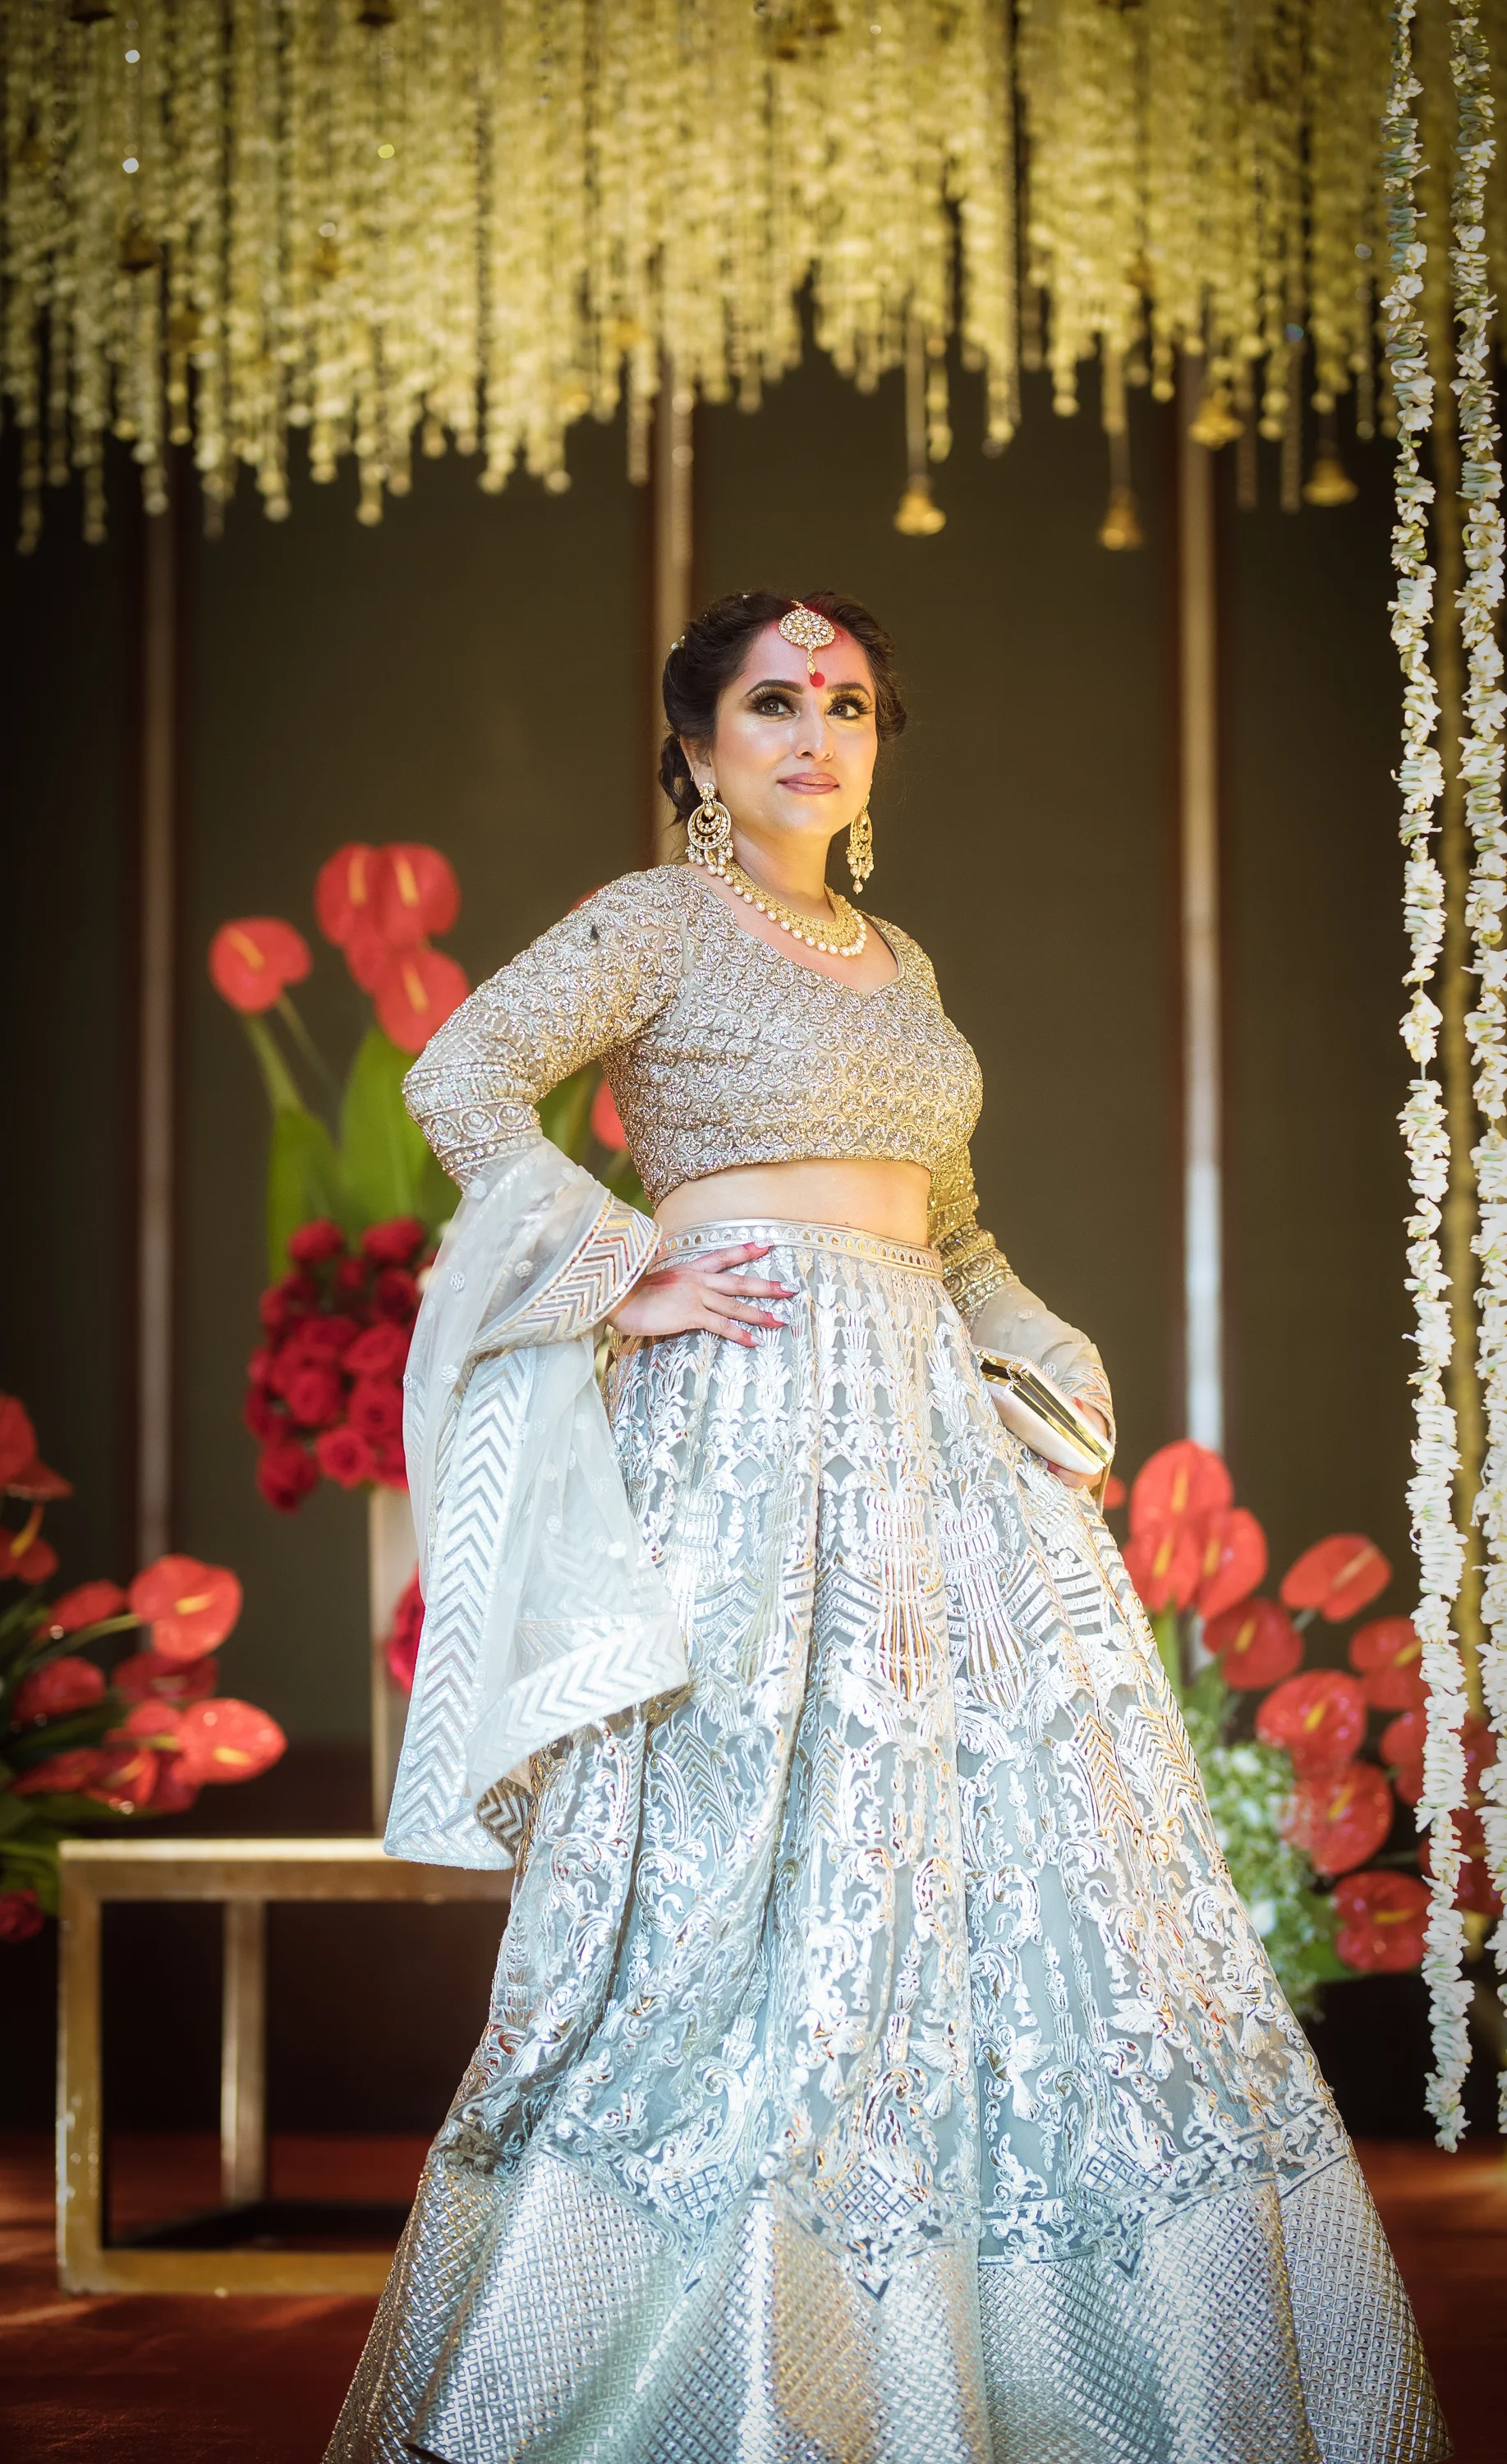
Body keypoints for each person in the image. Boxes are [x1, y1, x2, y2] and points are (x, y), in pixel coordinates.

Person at [327, 591, 1445, 2464]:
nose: (812, 734)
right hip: (746, 1452)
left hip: (934, 1466)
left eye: (843, 704)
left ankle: (1026, 2364)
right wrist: (623, 1273)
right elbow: (461, 1081)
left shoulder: (898, 962)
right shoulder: (655, 921)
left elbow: (951, 1227)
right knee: (723, 1876)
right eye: (771, 702)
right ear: (693, 750)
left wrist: (1030, 1345)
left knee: (1006, 1877)